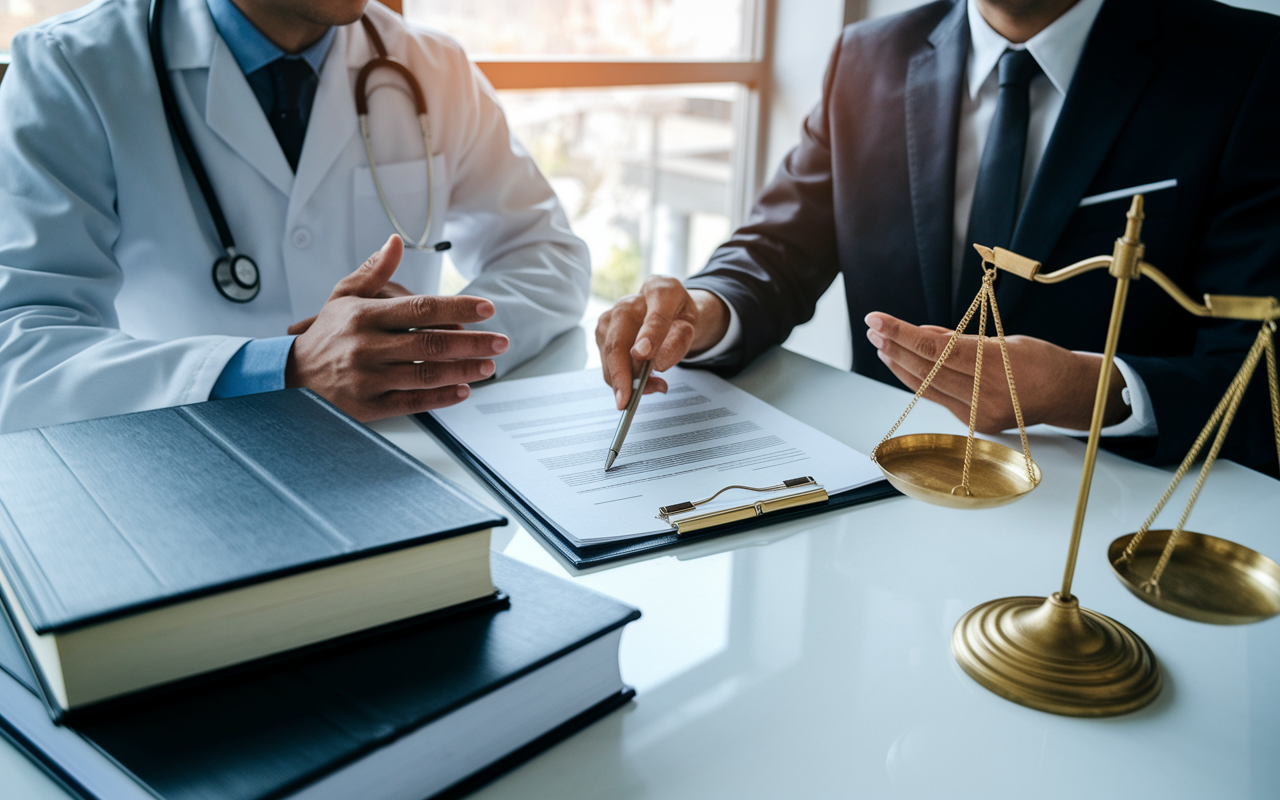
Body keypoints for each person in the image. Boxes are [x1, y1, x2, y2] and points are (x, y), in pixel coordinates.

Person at [595, 0, 1280, 473]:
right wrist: (706, 309)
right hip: (880, 495)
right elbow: (777, 251)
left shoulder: (1247, 66)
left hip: (1113, 520)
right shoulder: (866, 56)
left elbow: (1262, 370)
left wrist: (1081, 391)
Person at [0, 0, 590, 431]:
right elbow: (17, 345)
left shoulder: (433, 66)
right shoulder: (72, 68)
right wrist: (279, 370)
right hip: (182, 461)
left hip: (402, 470)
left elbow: (548, 256)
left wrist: (437, 347)